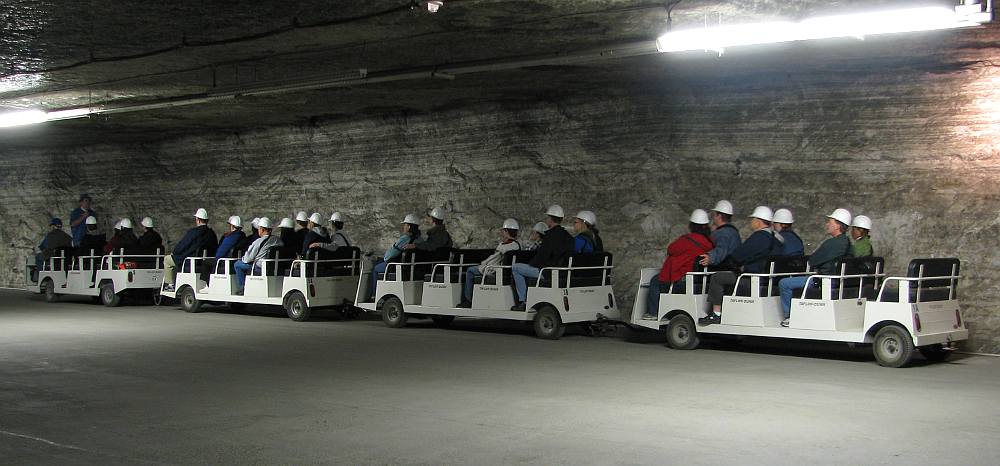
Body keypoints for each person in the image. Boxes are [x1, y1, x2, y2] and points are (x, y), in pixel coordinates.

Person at [699, 206, 782, 325]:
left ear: (758, 221)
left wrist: (730, 262)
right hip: (768, 279)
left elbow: (737, 256)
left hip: (753, 278)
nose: (751, 222)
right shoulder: (776, 238)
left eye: (753, 219)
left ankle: (716, 314)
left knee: (717, 277)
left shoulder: (759, 237)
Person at [778, 209, 855, 326]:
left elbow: (813, 261)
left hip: (823, 280)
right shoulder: (848, 243)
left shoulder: (832, 243)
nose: (827, 224)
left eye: (830, 221)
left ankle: (789, 317)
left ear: (838, 225)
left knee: (784, 283)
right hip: (836, 280)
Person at [643, 209, 714, 319]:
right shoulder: (709, 242)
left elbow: (671, 249)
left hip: (683, 279)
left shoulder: (687, 240)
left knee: (655, 281)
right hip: (700, 280)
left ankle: (653, 313)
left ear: (692, 225)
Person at [511, 205, 574, 311]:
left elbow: (542, 257)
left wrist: (531, 264)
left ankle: (523, 301)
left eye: (548, 217)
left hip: (547, 272)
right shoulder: (568, 236)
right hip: (563, 271)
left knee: (516, 268)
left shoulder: (549, 236)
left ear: (550, 219)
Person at [459, 219, 521, 307]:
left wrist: (483, 264)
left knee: (470, 270)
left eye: (503, 231)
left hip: (495, 270)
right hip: (508, 272)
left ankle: (468, 300)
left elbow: (493, 260)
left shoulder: (503, 246)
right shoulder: (517, 245)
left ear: (506, 231)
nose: (502, 233)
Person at [163, 208, 218, 292]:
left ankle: (170, 285)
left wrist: (174, 252)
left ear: (198, 220)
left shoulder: (194, 232)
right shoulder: (212, 234)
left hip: (189, 260)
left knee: (167, 259)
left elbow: (182, 245)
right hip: (204, 262)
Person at [369, 214, 421, 300]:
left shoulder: (405, 238)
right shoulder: (420, 239)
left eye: (405, 225)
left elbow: (389, 256)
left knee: (375, 268)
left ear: (409, 226)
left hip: (397, 266)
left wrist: (386, 256)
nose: (403, 227)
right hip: (412, 267)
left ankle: (374, 295)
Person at [233, 217, 283, 294]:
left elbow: (247, 259)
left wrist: (242, 259)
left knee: (237, 264)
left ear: (262, 230)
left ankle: (243, 288)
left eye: (259, 229)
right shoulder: (277, 240)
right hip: (273, 266)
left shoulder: (258, 242)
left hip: (259, 267)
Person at [200, 216, 246, 285]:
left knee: (206, 262)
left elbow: (220, 252)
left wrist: (217, 257)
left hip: (224, 261)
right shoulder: (243, 236)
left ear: (232, 226)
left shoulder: (230, 237)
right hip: (235, 261)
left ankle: (208, 285)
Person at [700, 200, 742, 270]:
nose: (713, 218)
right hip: (732, 270)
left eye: (714, 215)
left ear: (719, 216)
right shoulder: (733, 231)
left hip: (723, 272)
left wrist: (710, 257)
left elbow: (721, 248)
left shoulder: (722, 233)